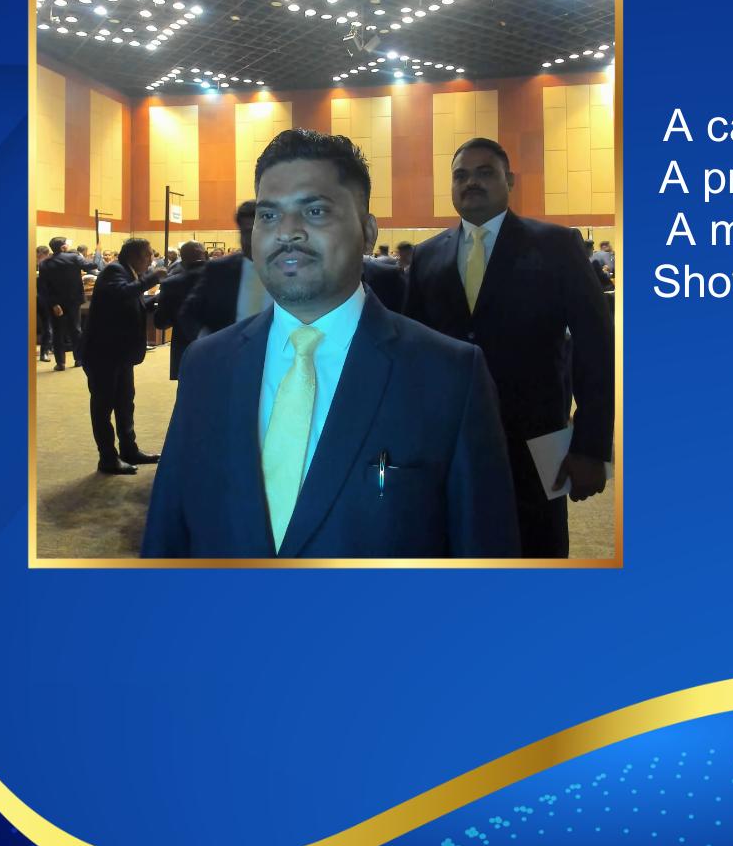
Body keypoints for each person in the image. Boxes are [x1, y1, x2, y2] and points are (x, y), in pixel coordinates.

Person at [142, 128, 519, 560]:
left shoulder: (449, 375)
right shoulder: (208, 364)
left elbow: (485, 558)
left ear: (368, 231)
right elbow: (167, 532)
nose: (287, 232)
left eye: (315, 210)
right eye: (269, 215)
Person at [405, 137, 614, 559]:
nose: (471, 182)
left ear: (510, 180)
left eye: (485, 173)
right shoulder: (427, 257)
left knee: (537, 550)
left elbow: (596, 345)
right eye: (461, 175)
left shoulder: (556, 246)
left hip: (535, 440)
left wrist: (591, 447)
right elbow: (412, 354)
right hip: (449, 442)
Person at [83, 239, 168, 475]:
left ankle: (129, 450)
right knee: (103, 406)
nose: (151, 260)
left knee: (125, 402)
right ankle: (108, 458)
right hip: (102, 353)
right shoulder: (114, 270)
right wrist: (152, 279)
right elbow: (121, 294)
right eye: (148, 255)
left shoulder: (128, 272)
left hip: (120, 353)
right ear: (133, 256)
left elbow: (130, 302)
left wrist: (156, 300)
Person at [177, 200, 263, 339]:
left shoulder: (292, 270)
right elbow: (188, 314)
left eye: (256, 232)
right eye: (245, 232)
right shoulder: (219, 270)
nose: (249, 240)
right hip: (230, 349)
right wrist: (208, 344)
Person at [37, 236, 96, 369]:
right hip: (74, 301)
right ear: (63, 247)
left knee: (58, 332)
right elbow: (91, 266)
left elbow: (43, 287)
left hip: (56, 303)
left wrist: (53, 304)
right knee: (76, 330)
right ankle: (79, 359)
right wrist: (94, 255)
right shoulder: (74, 258)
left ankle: (60, 363)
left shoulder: (44, 264)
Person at [152, 241, 209, 379]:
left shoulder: (171, 283)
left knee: (187, 387)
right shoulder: (226, 278)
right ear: (206, 255)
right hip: (221, 345)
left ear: (182, 260)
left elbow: (161, 322)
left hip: (185, 345)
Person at [35, 246, 52, 362]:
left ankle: (44, 351)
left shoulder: (48, 265)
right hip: (35, 297)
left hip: (43, 298)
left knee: (47, 326)